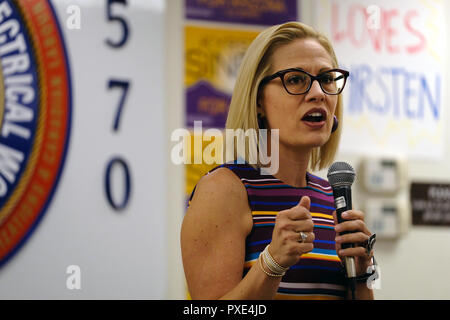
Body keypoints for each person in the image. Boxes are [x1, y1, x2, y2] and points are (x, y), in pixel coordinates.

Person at [181, 21, 375, 300]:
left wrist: (362, 276)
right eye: (296, 79)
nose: (318, 93)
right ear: (258, 100)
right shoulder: (226, 190)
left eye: (327, 79)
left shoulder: (333, 197)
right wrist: (272, 262)